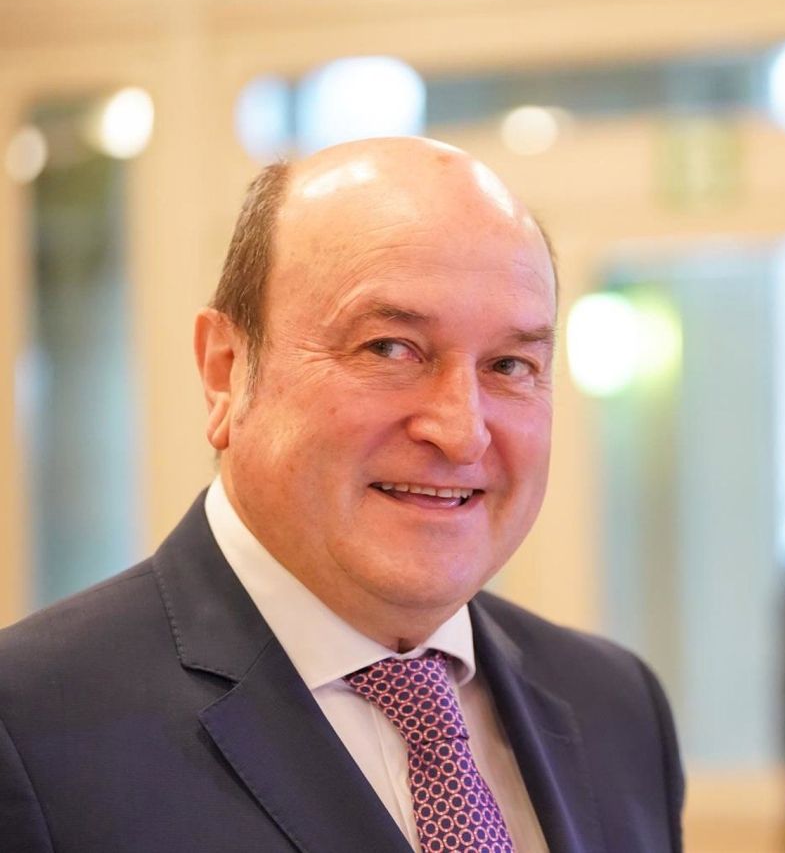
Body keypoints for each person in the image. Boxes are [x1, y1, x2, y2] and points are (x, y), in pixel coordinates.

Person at [0, 137, 684, 853]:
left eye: (510, 365)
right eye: (389, 348)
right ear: (225, 372)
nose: (461, 432)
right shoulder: (30, 734)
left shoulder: (617, 709)